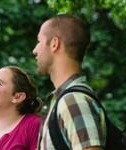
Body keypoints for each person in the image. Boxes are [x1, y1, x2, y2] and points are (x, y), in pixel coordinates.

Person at [32, 14, 106, 150]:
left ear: (55, 44)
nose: (35, 50)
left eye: (39, 41)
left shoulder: (73, 101)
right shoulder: (64, 101)